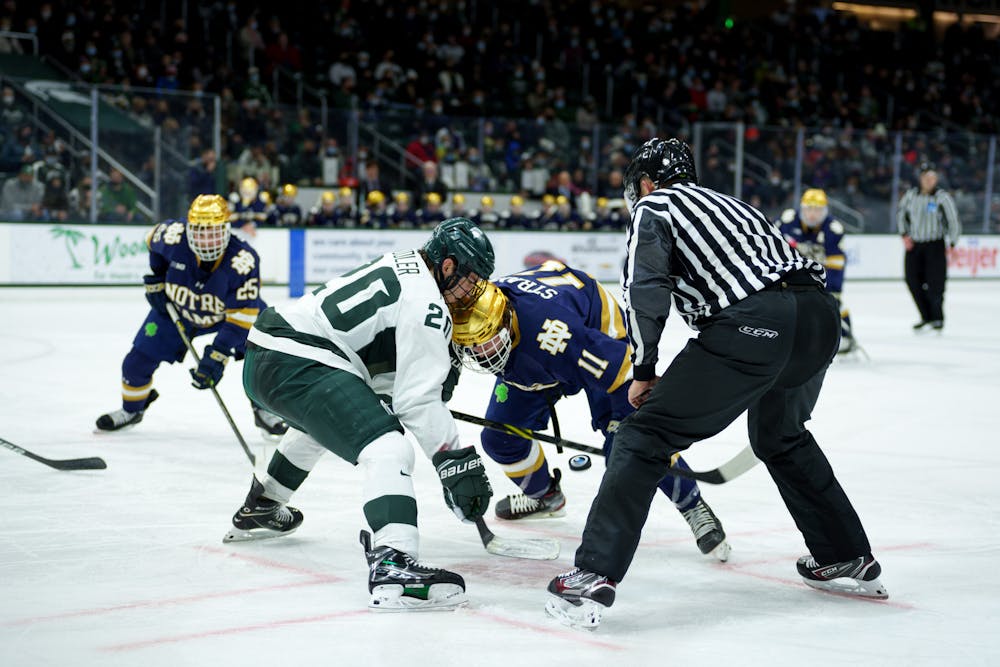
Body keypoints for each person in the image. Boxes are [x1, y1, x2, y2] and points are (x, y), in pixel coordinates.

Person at [545, 138, 887, 630]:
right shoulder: (735, 205)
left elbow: (646, 294)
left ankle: (593, 576)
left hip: (754, 325)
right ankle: (845, 554)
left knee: (641, 435)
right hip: (819, 318)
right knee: (781, 435)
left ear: (643, 183)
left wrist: (643, 372)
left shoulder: (654, 205)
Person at [224, 217, 497, 612]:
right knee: (387, 448)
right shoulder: (428, 302)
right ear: (449, 265)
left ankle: (263, 505)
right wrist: (455, 462)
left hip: (271, 350)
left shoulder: (408, 265)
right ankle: (393, 560)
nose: (471, 293)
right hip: (298, 356)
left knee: (328, 424)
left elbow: (374, 366)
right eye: (471, 280)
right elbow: (416, 401)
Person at [452, 262, 731, 562]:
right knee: (500, 438)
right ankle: (546, 497)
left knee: (630, 442)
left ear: (506, 322)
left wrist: (639, 410)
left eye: (488, 341)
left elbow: (623, 370)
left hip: (594, 335)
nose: (482, 354)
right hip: (533, 351)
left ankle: (692, 504)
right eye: (473, 345)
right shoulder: (471, 314)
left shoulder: (555, 335)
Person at [95, 194, 288, 440]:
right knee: (135, 363)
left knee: (263, 359)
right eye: (200, 232)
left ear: (227, 230)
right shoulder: (173, 236)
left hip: (229, 316)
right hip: (180, 309)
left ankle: (265, 411)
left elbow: (240, 320)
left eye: (214, 232)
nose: (207, 241)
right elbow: (152, 243)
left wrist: (218, 356)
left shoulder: (243, 261)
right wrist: (157, 278)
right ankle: (132, 410)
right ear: (188, 229)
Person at [778, 189, 856, 354]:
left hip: (821, 274)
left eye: (818, 210)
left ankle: (846, 336)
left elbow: (836, 263)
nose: (812, 214)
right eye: (809, 209)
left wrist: (833, 289)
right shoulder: (786, 222)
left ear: (825, 211)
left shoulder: (833, 229)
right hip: (790, 272)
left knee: (834, 302)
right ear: (801, 209)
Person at [897, 162, 961, 331]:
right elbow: (901, 214)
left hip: (935, 245)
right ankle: (926, 316)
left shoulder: (942, 197)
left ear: (936, 179)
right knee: (912, 280)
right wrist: (904, 234)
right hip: (915, 245)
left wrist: (953, 243)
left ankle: (937, 317)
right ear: (920, 178)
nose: (929, 181)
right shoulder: (911, 196)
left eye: (932, 177)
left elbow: (953, 220)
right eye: (926, 177)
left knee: (936, 283)